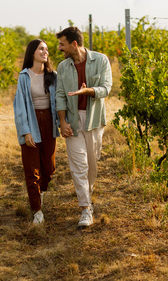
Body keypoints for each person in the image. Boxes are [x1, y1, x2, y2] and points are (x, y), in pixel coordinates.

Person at [55, 26, 112, 228]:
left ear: (74, 44)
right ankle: (85, 209)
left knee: (92, 164)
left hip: (94, 119)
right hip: (72, 119)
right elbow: (60, 95)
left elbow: (106, 88)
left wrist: (88, 91)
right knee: (78, 166)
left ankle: (88, 191)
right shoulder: (62, 67)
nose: (60, 48)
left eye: (62, 44)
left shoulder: (101, 60)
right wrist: (62, 121)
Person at [14, 39, 59, 224]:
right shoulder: (24, 76)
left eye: (47, 49)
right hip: (31, 120)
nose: (45, 52)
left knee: (48, 167)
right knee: (31, 168)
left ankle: (40, 192)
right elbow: (20, 106)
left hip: (49, 121)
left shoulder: (53, 75)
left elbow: (60, 100)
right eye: (41, 49)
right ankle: (37, 211)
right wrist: (26, 131)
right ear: (32, 52)